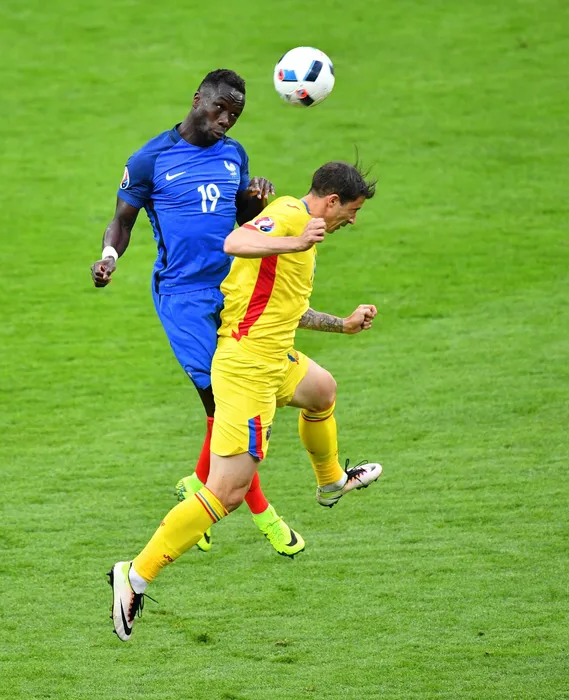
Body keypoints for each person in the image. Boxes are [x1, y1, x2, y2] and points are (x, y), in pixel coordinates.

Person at [108, 160, 383, 641]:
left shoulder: (302, 231)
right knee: (227, 493)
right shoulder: (290, 217)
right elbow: (235, 241)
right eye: (352, 211)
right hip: (248, 370)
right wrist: (294, 241)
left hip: (274, 357)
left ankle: (331, 482)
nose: (353, 221)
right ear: (332, 201)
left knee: (322, 390)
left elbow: (288, 308)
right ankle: (134, 574)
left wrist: (342, 325)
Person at [91, 69, 304, 558]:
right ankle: (264, 516)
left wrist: (254, 202)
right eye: (220, 108)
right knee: (225, 405)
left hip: (231, 291)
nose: (225, 120)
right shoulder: (150, 159)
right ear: (197, 99)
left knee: (231, 405)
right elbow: (122, 221)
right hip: (183, 297)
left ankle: (198, 488)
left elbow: (242, 224)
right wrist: (109, 258)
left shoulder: (235, 155)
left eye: (235, 114)